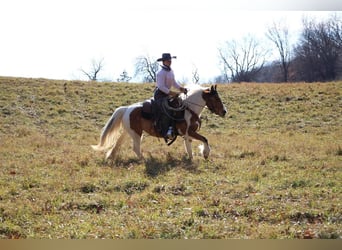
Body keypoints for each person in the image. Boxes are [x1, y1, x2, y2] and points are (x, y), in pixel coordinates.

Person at [154, 53, 187, 140]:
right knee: (167, 110)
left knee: (179, 105)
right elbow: (161, 87)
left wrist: (181, 88)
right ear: (164, 62)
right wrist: (172, 93)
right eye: (168, 60)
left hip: (167, 94)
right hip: (160, 95)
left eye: (170, 60)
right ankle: (166, 131)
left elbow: (173, 83)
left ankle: (177, 128)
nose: (170, 62)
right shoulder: (160, 73)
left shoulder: (171, 71)